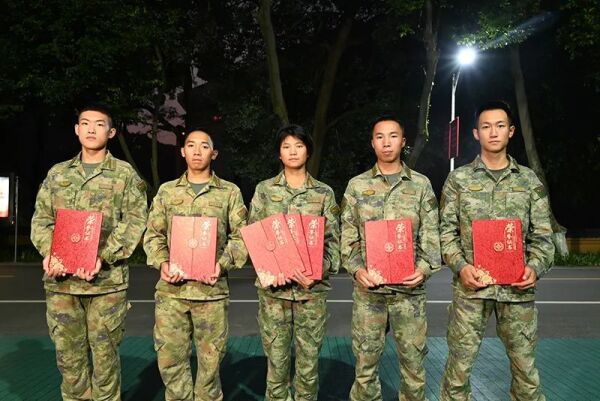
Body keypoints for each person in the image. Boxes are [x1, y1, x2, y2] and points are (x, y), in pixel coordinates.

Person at [439, 100, 555, 401]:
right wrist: (461, 267)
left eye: (500, 126)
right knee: (457, 373)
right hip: (471, 291)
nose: (493, 132)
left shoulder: (528, 181)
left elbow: (543, 237)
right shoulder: (459, 180)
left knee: (526, 374)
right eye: (486, 126)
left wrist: (535, 267)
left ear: (511, 131)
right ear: (476, 133)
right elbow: (446, 233)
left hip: (517, 291)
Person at [30, 105, 148, 401]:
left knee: (105, 359)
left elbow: (136, 221)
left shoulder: (124, 174)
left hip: (106, 283)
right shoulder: (58, 173)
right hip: (62, 283)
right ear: (76, 129)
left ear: (111, 132)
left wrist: (103, 256)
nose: (91, 129)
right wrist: (50, 253)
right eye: (85, 123)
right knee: (69, 359)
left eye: (99, 124)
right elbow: (41, 220)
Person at [340, 116, 441, 401]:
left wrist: (423, 269)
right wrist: (357, 270)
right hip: (369, 294)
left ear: (403, 142)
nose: (386, 143)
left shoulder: (420, 185)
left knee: (413, 367)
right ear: (372, 143)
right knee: (365, 367)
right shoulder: (357, 186)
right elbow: (347, 236)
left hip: (409, 294)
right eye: (380, 137)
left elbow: (432, 235)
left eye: (393, 136)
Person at [143, 129, 248, 401]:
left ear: (214, 153)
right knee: (170, 359)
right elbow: (153, 234)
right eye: (191, 145)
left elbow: (241, 237)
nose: (197, 151)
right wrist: (162, 262)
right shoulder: (167, 191)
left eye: (204, 146)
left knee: (211, 362)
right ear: (183, 151)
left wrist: (221, 265)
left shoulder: (229, 192)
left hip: (211, 292)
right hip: (172, 292)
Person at [248, 124, 340, 401]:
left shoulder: (323, 193)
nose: (293, 151)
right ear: (279, 153)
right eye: (286, 146)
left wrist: (317, 271)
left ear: (308, 151)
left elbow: (334, 245)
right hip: (273, 294)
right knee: (276, 365)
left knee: (308, 366)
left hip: (311, 294)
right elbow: (253, 236)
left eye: (299, 146)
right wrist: (268, 269)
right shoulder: (265, 191)